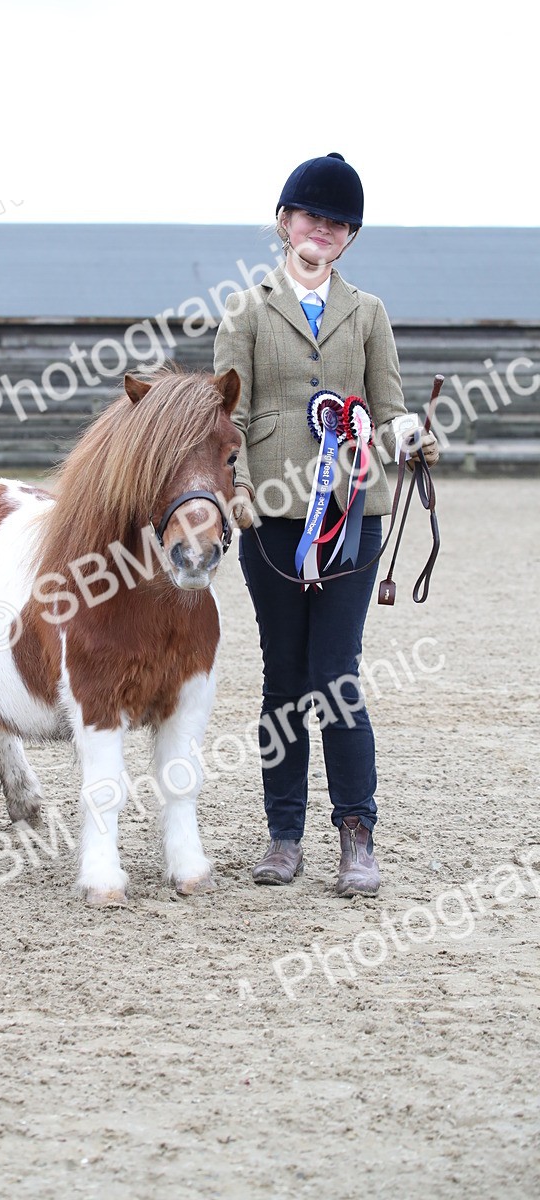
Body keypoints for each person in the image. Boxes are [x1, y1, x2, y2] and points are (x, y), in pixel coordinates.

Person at [213, 151, 439, 897]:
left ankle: (356, 834)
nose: (326, 230)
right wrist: (238, 487)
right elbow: (229, 414)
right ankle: (284, 835)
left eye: (340, 223)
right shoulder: (246, 310)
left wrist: (412, 437)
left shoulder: (367, 313)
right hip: (271, 520)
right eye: (313, 216)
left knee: (335, 676)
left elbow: (392, 403)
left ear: (349, 238)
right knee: (283, 678)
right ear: (285, 222)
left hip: (352, 517)